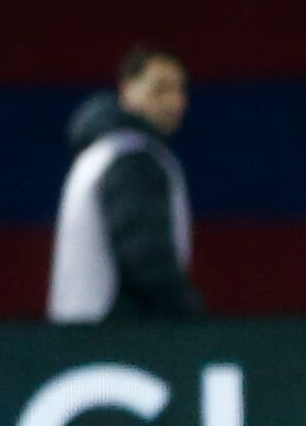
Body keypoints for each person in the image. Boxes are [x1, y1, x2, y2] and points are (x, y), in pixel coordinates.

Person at [50, 45, 201, 323]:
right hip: (120, 335)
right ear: (127, 90)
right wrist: (187, 318)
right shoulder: (131, 157)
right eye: (160, 88)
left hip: (82, 334)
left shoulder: (103, 152)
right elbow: (145, 255)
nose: (174, 101)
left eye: (180, 90)